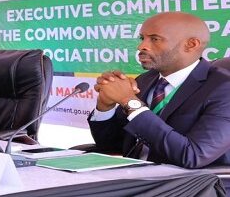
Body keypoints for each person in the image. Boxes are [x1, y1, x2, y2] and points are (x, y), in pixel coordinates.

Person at [89, 12, 230, 168]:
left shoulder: (223, 88)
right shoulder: (144, 80)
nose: (141, 46)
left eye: (155, 39)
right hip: (133, 176)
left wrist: (130, 102)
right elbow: (113, 146)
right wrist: (105, 106)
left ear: (191, 44)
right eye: (142, 38)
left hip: (189, 186)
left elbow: (193, 155)